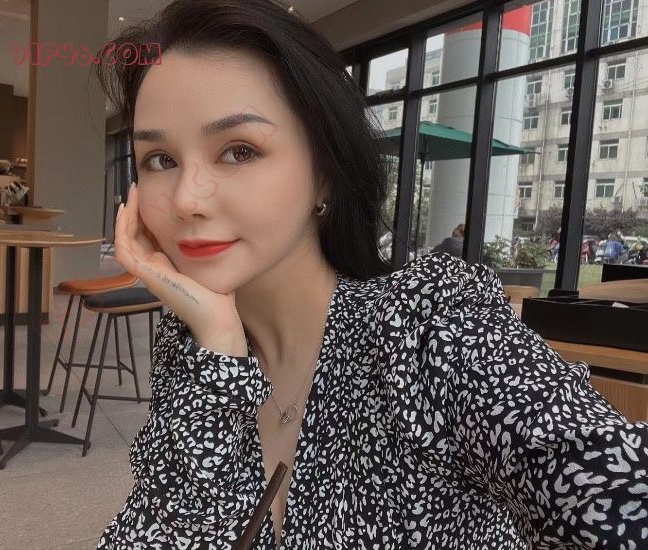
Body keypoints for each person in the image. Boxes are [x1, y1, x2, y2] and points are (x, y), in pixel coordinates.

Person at [95, 1, 648, 548]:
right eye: (160, 160)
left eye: (239, 151)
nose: (187, 199)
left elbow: (619, 497)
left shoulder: (427, 329)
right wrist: (218, 353)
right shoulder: (192, 342)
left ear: (324, 173)